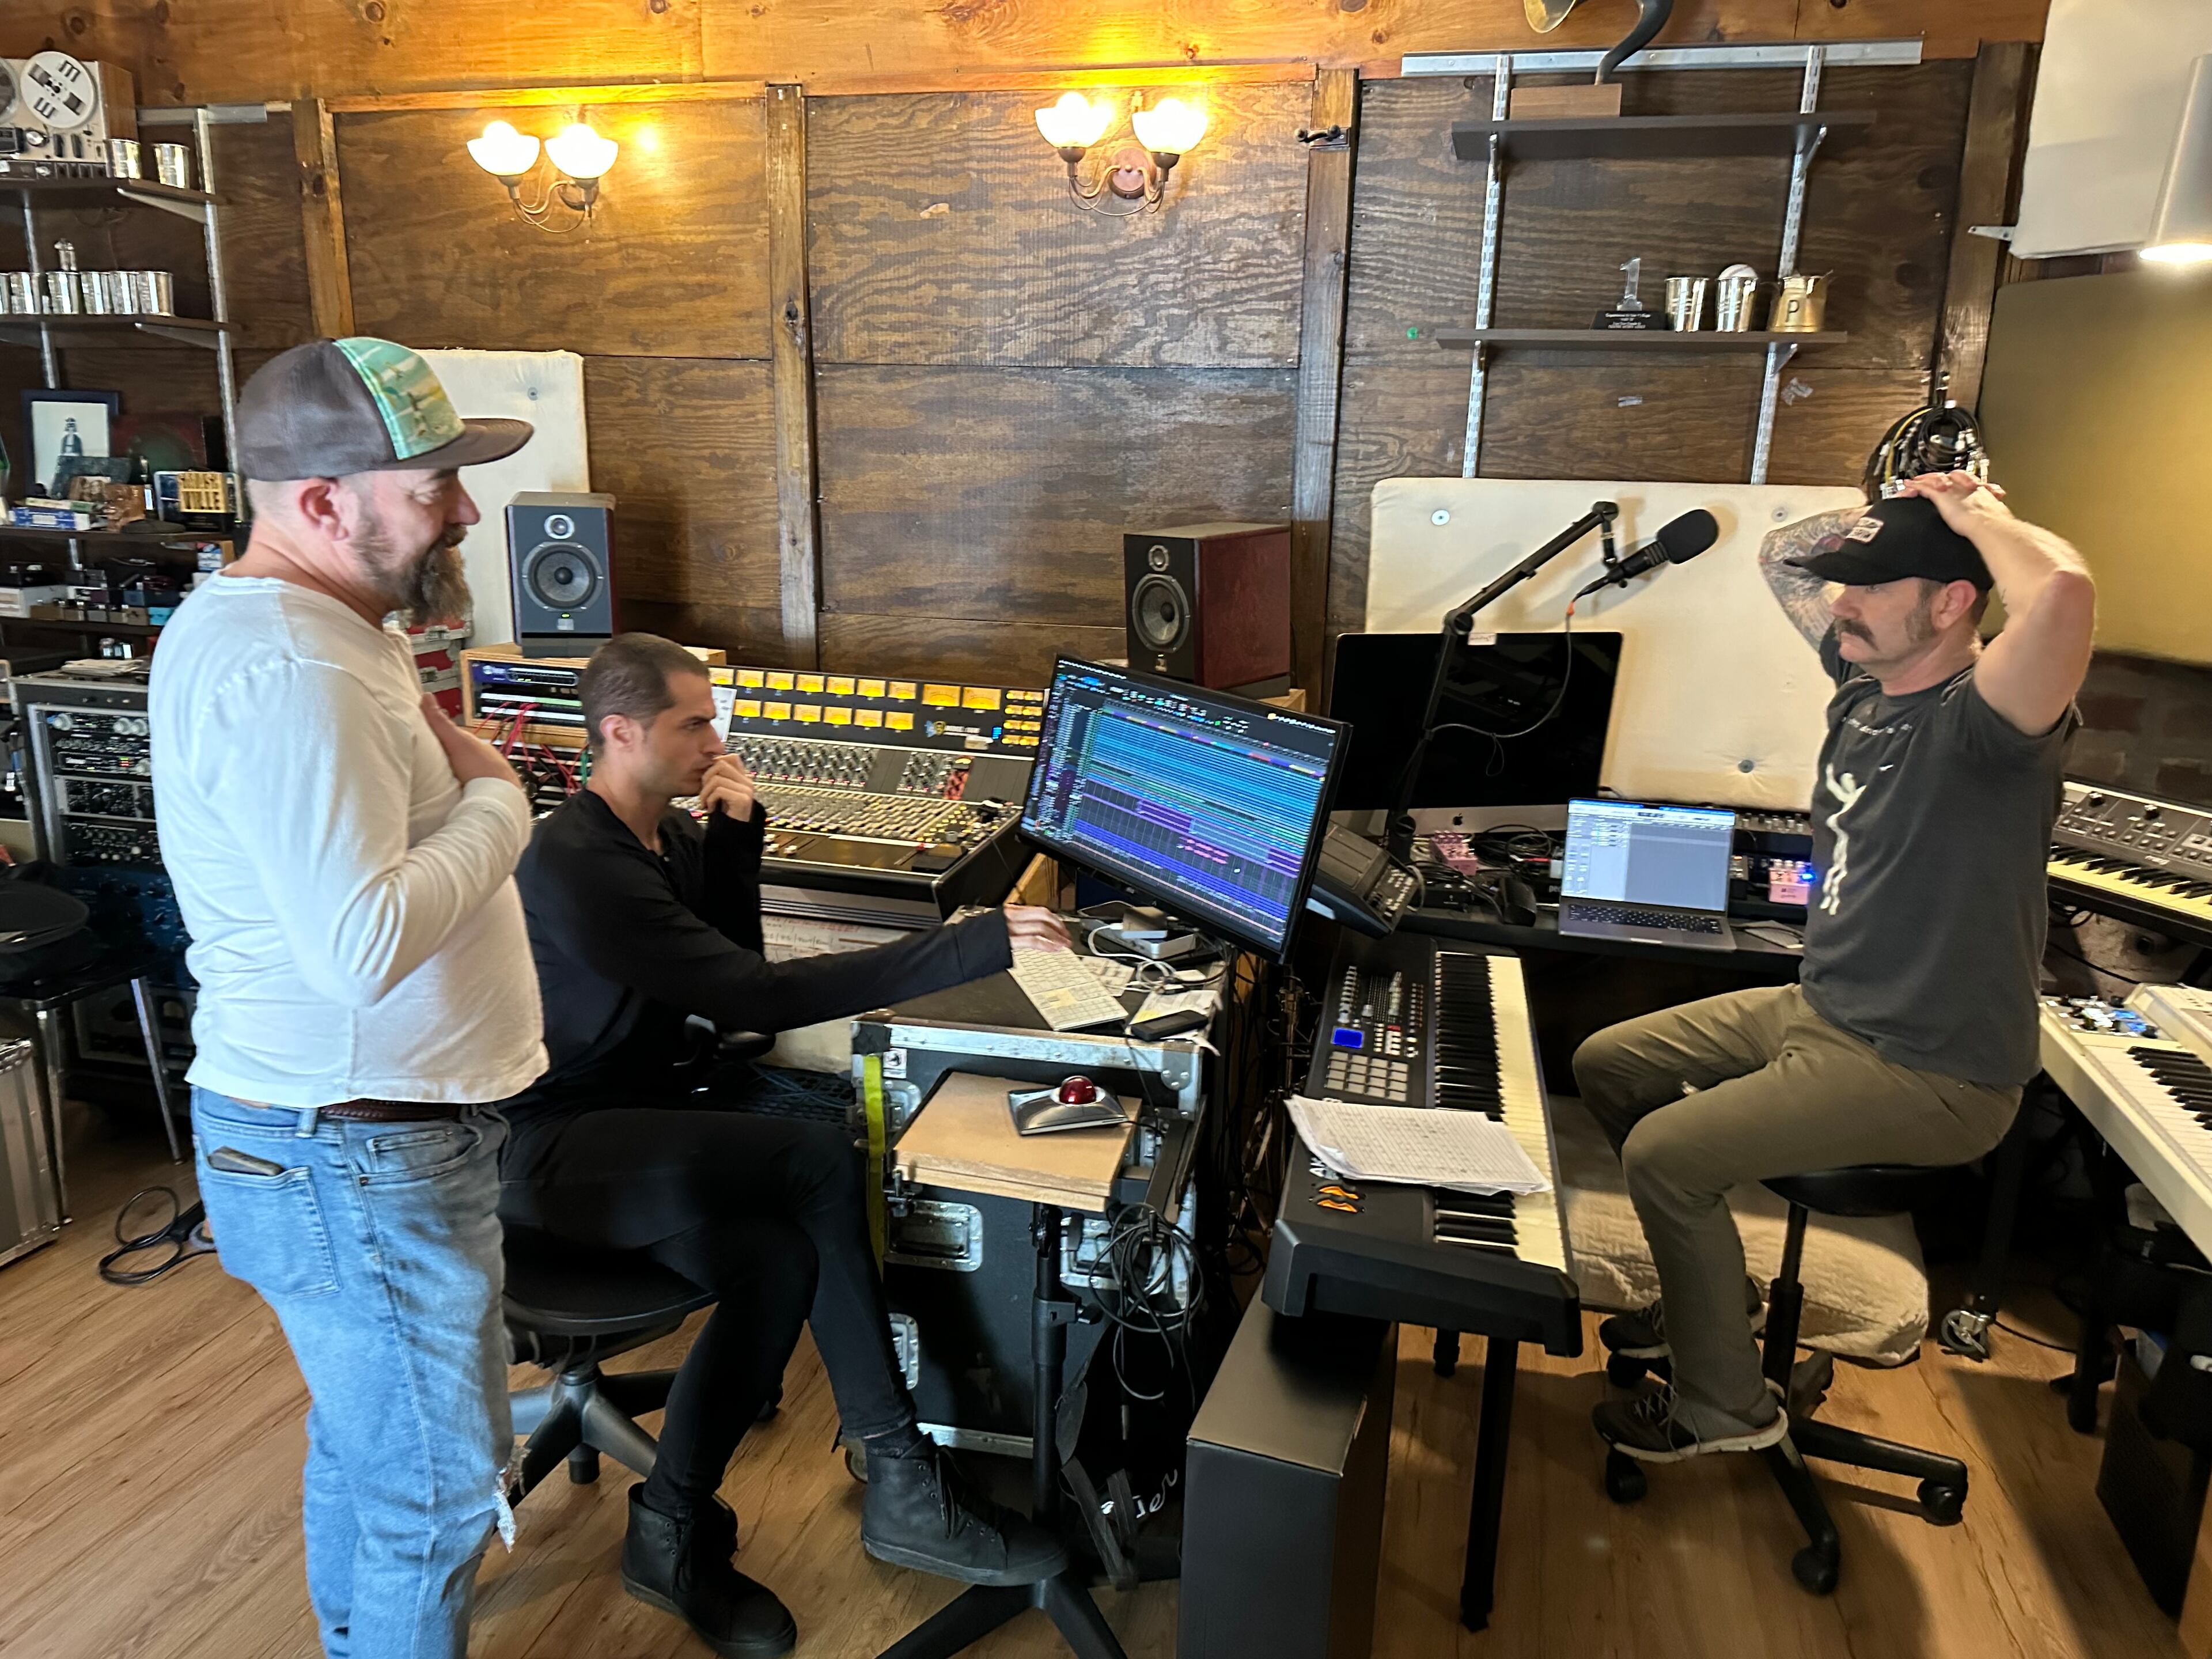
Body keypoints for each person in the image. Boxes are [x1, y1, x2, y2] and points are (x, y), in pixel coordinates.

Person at [500, 632, 1073, 1658]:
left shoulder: (654, 837)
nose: (714, 738)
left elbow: (728, 978)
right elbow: (754, 996)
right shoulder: (576, 862)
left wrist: (732, 833)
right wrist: (974, 940)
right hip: (552, 1147)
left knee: (781, 1254)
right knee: (819, 1159)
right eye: (694, 722)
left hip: (634, 1122)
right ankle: (899, 1473)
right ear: (620, 732)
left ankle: (669, 1531)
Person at [151, 338, 543, 1659]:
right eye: (435, 485)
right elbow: (361, 942)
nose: (468, 511)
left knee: (378, 1456)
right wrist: (506, 805)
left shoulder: (328, 630)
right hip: (357, 1152)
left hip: (359, 1141)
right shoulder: (299, 670)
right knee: (433, 1491)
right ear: (324, 502)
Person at [1575, 471, 2096, 1463]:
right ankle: (1714, 1302)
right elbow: (1783, 555)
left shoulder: (1990, 726)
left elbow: (2063, 595)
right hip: (1827, 1010)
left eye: (1873, 585)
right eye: (1846, 585)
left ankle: (1723, 1407)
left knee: (1662, 1158)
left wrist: (1977, 515)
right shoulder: (1864, 686)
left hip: (1932, 1066)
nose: (1842, 603)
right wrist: (1899, 502)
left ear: (1953, 604)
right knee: (1609, 1061)